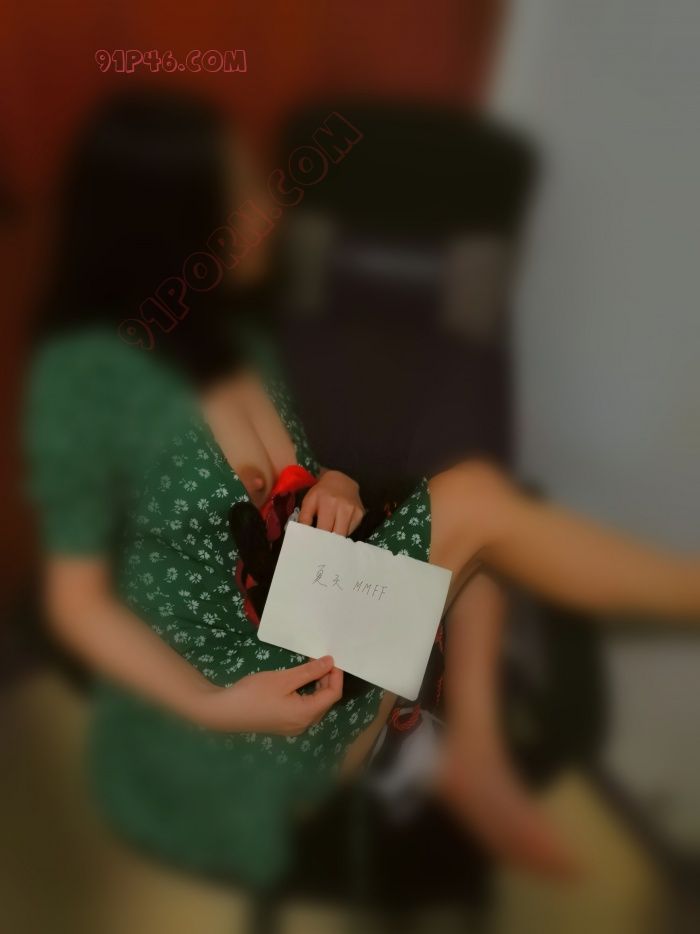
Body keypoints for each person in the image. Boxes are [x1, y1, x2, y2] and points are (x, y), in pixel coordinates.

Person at [25, 88, 700, 889]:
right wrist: (214, 705)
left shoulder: (234, 336)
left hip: (299, 616)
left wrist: (336, 479)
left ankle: (473, 759)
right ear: (171, 223)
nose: (272, 210)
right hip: (221, 721)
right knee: (478, 512)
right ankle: (466, 756)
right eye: (241, 194)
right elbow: (74, 602)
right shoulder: (86, 375)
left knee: (475, 499)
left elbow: (302, 472)